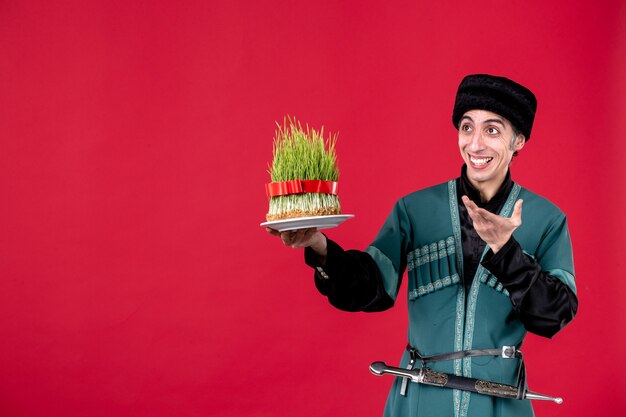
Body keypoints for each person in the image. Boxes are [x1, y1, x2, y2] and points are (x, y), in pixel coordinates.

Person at [266, 74, 578, 417]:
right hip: (418, 399)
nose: (475, 145)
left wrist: (507, 251)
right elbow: (370, 290)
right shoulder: (414, 210)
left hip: (499, 402)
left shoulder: (547, 219)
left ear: (518, 140)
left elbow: (555, 315)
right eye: (466, 127)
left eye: (492, 130)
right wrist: (319, 245)